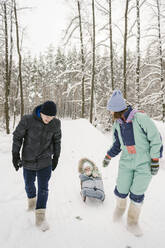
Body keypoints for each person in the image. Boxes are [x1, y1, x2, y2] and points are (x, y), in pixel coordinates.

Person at [102, 90, 163, 236]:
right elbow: (117, 144)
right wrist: (108, 156)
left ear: (117, 110)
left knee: (137, 193)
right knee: (121, 189)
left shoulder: (140, 118)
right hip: (126, 162)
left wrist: (154, 160)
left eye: (111, 111)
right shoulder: (117, 124)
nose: (110, 113)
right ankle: (120, 209)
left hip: (144, 163)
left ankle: (132, 221)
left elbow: (156, 139)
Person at [12, 101, 61, 231]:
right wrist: (15, 155)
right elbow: (17, 137)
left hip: (45, 161)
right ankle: (32, 203)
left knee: (43, 188)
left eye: (51, 117)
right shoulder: (28, 120)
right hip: (28, 160)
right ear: (41, 112)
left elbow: (57, 141)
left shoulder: (55, 124)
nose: (48, 119)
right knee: (28, 184)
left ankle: (40, 217)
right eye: (47, 116)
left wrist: (56, 157)